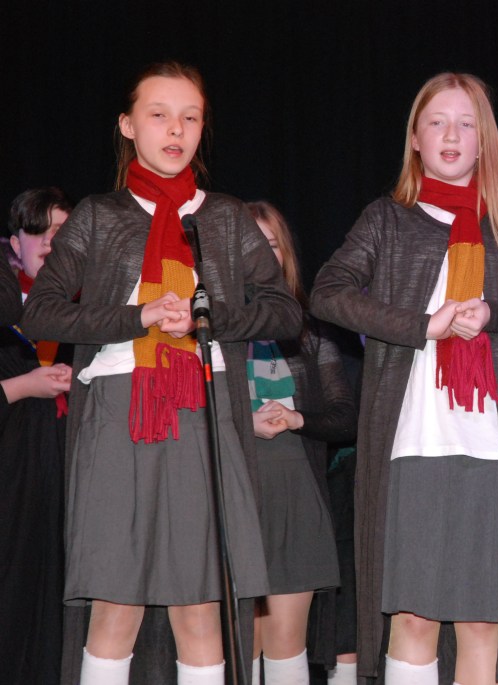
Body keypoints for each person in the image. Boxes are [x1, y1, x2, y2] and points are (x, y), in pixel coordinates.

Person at [20, 61, 302, 685]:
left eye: (190, 117)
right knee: (115, 606)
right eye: (159, 115)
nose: (176, 129)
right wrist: (138, 316)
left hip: (203, 411)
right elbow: (41, 310)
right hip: (119, 415)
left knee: (200, 608)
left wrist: (207, 318)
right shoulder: (97, 214)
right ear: (127, 125)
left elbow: (285, 311)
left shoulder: (223, 216)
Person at [309, 72, 498, 685]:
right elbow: (327, 292)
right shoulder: (387, 219)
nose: (451, 135)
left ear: (484, 141)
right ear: (416, 138)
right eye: (437, 122)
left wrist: (496, 314)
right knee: (413, 617)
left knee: (482, 623)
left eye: (465, 124)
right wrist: (421, 326)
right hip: (414, 443)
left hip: (492, 448)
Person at [246, 201, 357, 684]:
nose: (261, 255)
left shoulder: (309, 331)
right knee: (235, 643)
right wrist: (242, 422)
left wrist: (297, 417)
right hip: (234, 491)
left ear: (285, 254)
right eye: (250, 245)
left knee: (286, 644)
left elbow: (345, 416)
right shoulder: (205, 328)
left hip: (295, 492)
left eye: (271, 245)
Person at [0, 187, 75, 684]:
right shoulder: (4, 313)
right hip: (11, 487)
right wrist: (26, 385)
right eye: (38, 232)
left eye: (61, 233)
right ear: (14, 244)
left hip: (67, 484)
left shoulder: (88, 315)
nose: (49, 243)